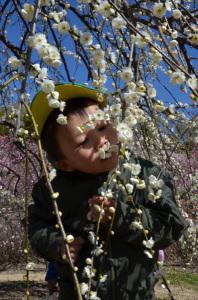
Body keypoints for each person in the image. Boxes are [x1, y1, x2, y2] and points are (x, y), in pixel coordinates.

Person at [28, 82, 185, 300]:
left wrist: (124, 216)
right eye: (84, 141)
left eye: (102, 127)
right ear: (64, 163)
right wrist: (57, 244)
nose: (101, 141)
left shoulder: (146, 175)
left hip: (135, 293)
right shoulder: (52, 189)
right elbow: (36, 228)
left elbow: (172, 225)